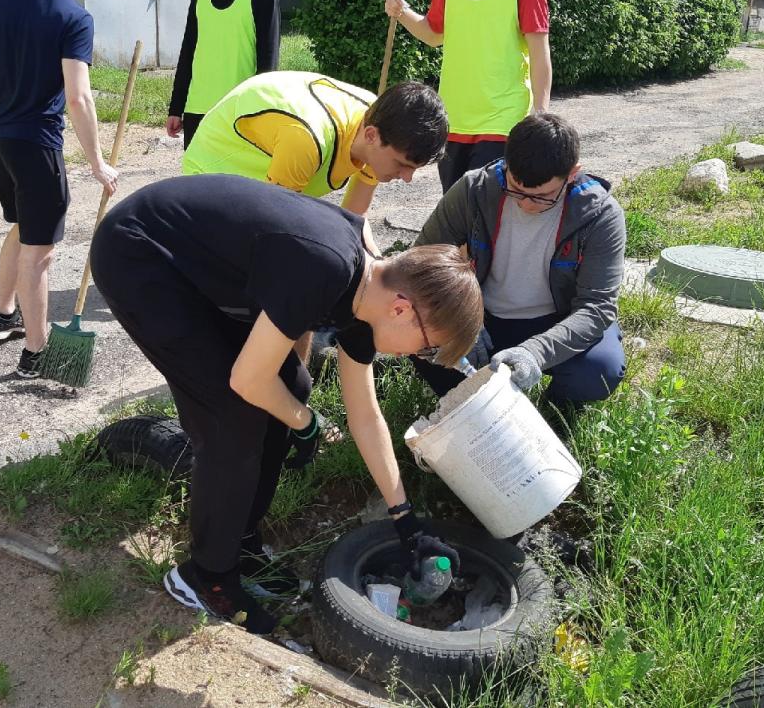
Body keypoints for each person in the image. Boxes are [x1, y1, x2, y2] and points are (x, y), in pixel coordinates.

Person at [90, 174, 480, 634]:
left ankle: (239, 541)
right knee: (231, 418)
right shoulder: (323, 268)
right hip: (139, 253)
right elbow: (247, 380)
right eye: (426, 345)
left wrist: (407, 523)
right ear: (401, 309)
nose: (418, 356)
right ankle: (206, 576)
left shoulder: (369, 296)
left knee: (291, 389)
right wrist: (306, 423)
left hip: (200, 269)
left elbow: (365, 415)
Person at [0, 0, 117, 378]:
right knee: (41, 250)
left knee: (22, 227)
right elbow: (79, 96)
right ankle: (35, 352)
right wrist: (97, 162)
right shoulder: (74, 17)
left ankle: (4, 314)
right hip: (37, 142)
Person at [414, 113, 626, 410]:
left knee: (600, 369)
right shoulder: (474, 189)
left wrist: (535, 352)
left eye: (542, 197)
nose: (526, 204)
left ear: (573, 173)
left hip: (557, 320)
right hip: (484, 318)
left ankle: (553, 414)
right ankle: (471, 406)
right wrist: (457, 323)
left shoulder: (601, 216)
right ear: (506, 163)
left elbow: (596, 308)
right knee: (419, 332)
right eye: (515, 189)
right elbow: (421, 262)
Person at [384, 0, 553, 194]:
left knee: (485, 208)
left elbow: (539, 50)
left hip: (504, 118)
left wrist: (540, 113)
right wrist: (402, 12)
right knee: (457, 209)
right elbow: (434, 35)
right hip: (454, 117)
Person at [181, 70, 447, 216]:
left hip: (272, 168)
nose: (408, 178)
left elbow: (353, 219)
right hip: (209, 174)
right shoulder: (306, 140)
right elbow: (279, 227)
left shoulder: (378, 122)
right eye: (402, 165)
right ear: (371, 136)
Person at [167, 0, 281, 148]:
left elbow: (268, 65)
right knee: (197, 184)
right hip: (197, 113)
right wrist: (176, 108)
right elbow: (187, 54)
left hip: (240, 114)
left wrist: (261, 114)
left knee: (236, 185)